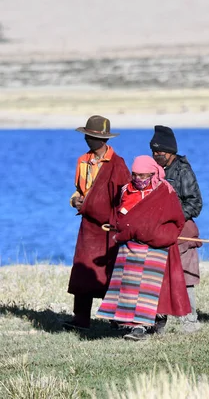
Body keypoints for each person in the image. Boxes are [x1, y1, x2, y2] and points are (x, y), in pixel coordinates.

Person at [96, 155, 190, 340]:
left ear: (153, 174)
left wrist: (157, 234)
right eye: (135, 175)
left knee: (148, 289)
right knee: (129, 287)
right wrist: (127, 229)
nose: (138, 180)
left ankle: (142, 326)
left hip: (154, 249)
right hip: (129, 248)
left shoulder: (164, 191)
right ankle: (130, 323)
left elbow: (176, 220)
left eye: (143, 176)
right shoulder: (126, 191)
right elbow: (121, 217)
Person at [64, 115, 130, 331]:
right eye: (87, 136)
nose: (88, 141)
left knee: (110, 270)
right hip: (88, 224)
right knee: (83, 268)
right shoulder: (82, 161)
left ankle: (116, 319)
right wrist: (75, 201)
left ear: (104, 140)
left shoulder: (117, 164)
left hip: (109, 225)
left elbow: (126, 195)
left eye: (92, 137)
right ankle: (81, 318)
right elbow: (78, 190)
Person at [150, 125, 203, 333]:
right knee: (157, 274)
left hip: (182, 230)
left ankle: (189, 319)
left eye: (159, 152)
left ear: (170, 151)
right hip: (159, 232)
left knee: (185, 275)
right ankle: (157, 320)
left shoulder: (183, 171)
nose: (156, 155)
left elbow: (195, 204)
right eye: (153, 152)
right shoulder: (153, 169)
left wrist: (171, 215)